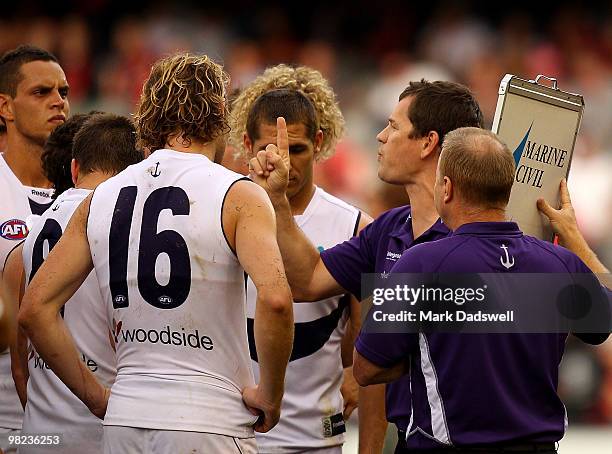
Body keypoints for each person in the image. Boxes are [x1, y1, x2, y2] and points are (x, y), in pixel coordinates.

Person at [19, 53, 294, 454]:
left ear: (148, 111)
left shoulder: (100, 197)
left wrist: (97, 398)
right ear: (221, 112)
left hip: (125, 418)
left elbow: (34, 309)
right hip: (208, 418)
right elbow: (275, 299)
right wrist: (271, 395)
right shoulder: (237, 192)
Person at [249, 80, 484, 453]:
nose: (380, 136)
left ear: (428, 142)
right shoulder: (388, 229)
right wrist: (276, 200)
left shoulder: (478, 238)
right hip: (413, 438)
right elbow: (308, 280)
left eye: (393, 127)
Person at [353, 127, 610, 453]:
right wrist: (575, 240)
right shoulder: (559, 263)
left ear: (446, 188)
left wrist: (439, 347)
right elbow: (605, 319)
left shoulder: (418, 263)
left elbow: (364, 367)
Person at [230, 64, 371, 454]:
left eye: (297, 149)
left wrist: (352, 374)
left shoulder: (355, 225)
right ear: (246, 143)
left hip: (314, 437)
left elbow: (364, 347)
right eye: (270, 150)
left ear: (319, 142)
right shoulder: (221, 212)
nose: (285, 165)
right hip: (234, 431)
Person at [4, 113, 143, 454]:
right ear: (134, 172)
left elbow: (19, 365)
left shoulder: (33, 227)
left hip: (38, 433)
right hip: (101, 431)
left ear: (76, 168)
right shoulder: (120, 223)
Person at [0, 44, 69, 452]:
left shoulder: (85, 190)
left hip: (70, 409)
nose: (58, 102)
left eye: (63, 91)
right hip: (5, 411)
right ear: (4, 107)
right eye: (41, 92)